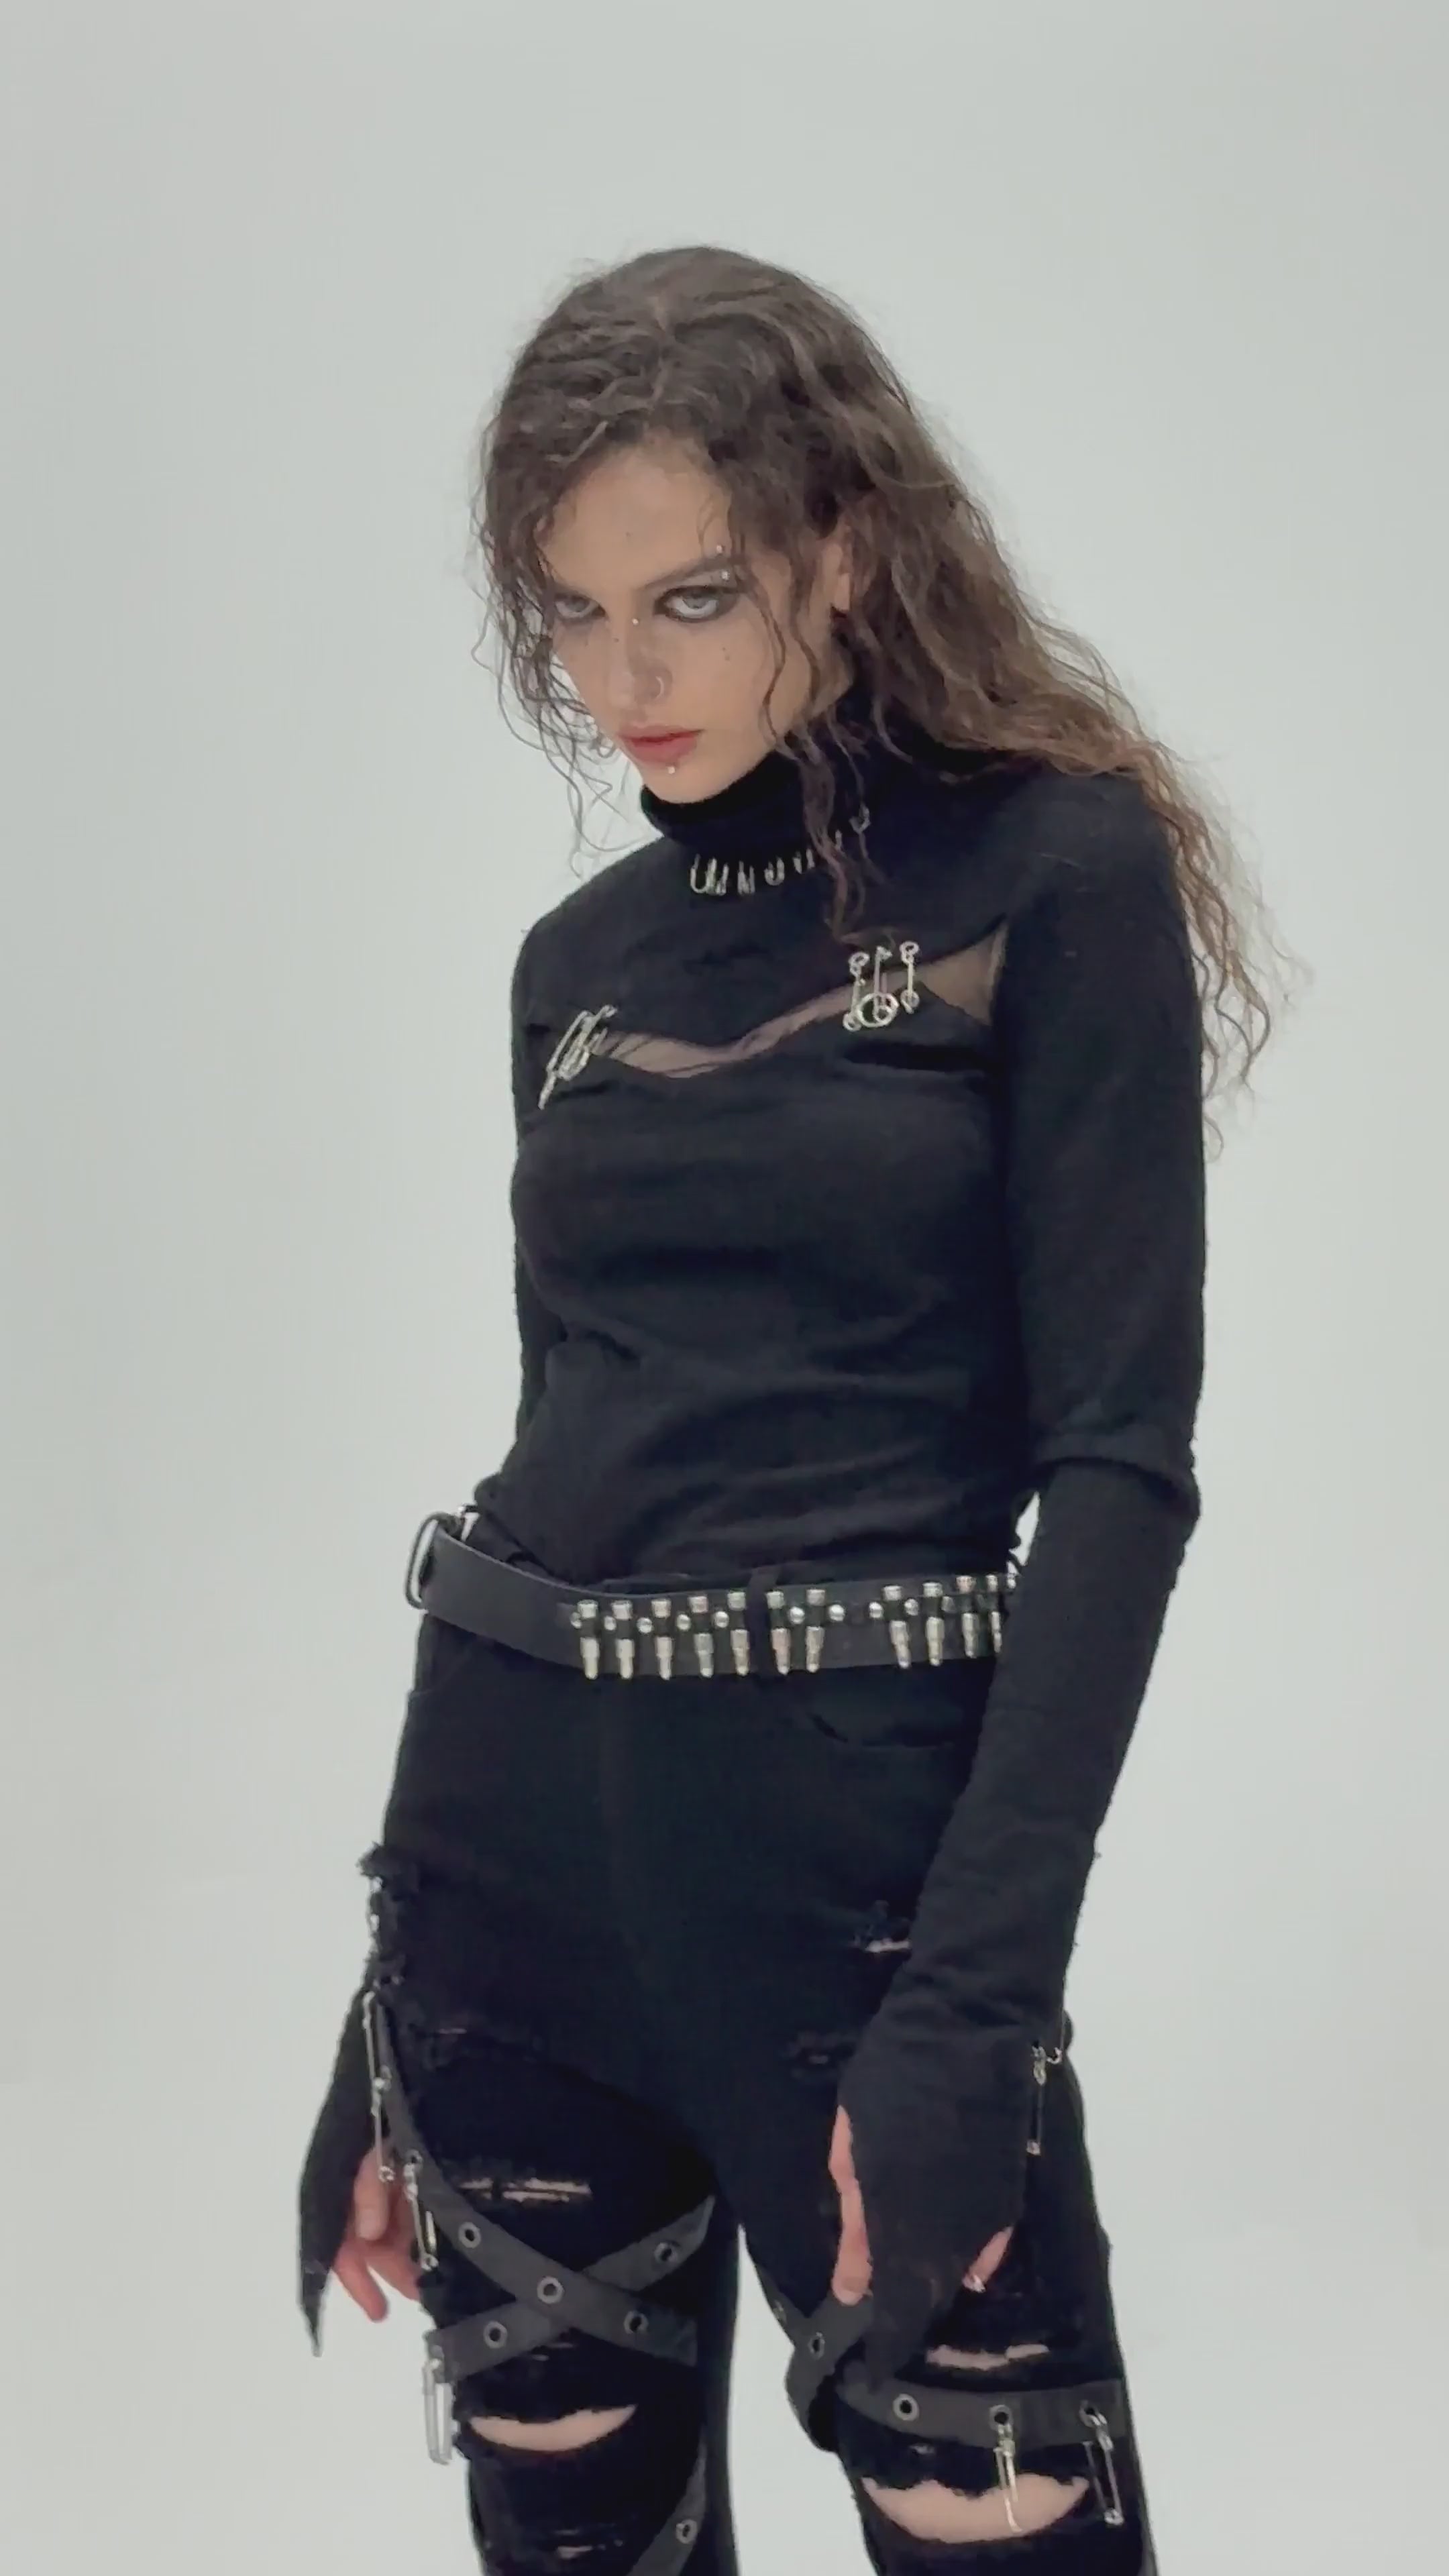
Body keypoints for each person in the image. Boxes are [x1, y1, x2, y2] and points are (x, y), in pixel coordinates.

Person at [297, 242, 1276, 2575]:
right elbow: (584, 1452)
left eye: (690, 600)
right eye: (570, 614)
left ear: (841, 549)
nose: (619, 680)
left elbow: (1120, 1474)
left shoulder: (1056, 869)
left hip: (858, 1914)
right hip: (503, 1895)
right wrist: (385, 2004)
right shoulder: (576, 971)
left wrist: (976, 2011)